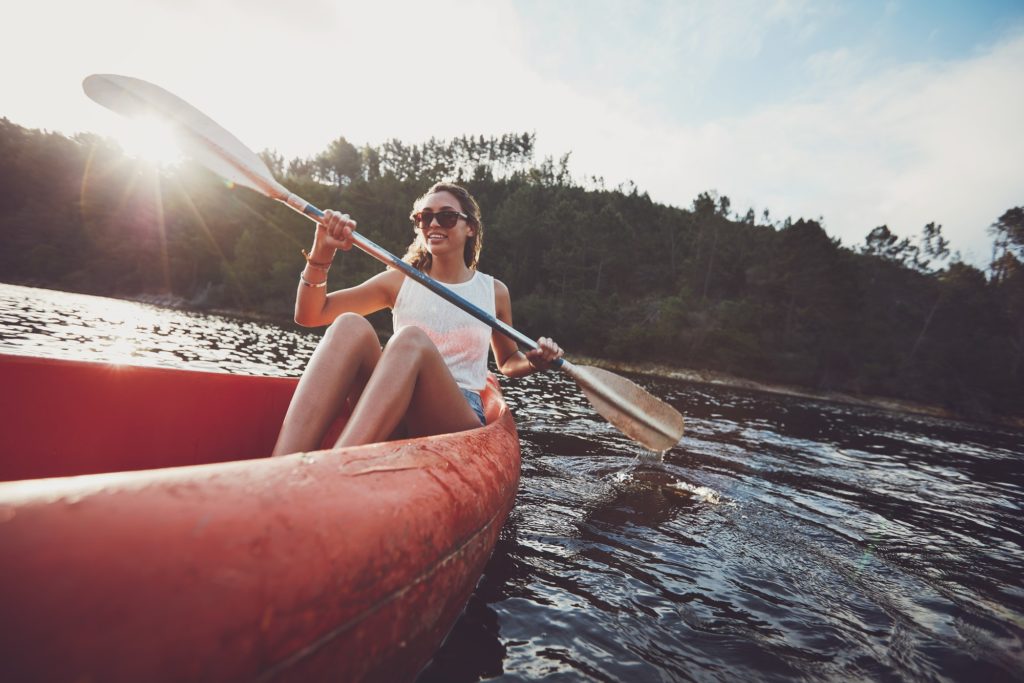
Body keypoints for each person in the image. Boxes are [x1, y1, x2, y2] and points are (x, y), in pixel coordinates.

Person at [271, 182, 563, 456]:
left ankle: (335, 465)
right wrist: (322, 251)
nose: (434, 224)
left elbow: (508, 360)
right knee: (350, 325)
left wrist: (533, 362)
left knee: (410, 340)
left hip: (455, 416)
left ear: (470, 228)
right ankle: (280, 465)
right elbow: (310, 315)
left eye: (447, 217)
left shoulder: (494, 291)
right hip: (393, 406)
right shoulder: (400, 280)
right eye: (424, 218)